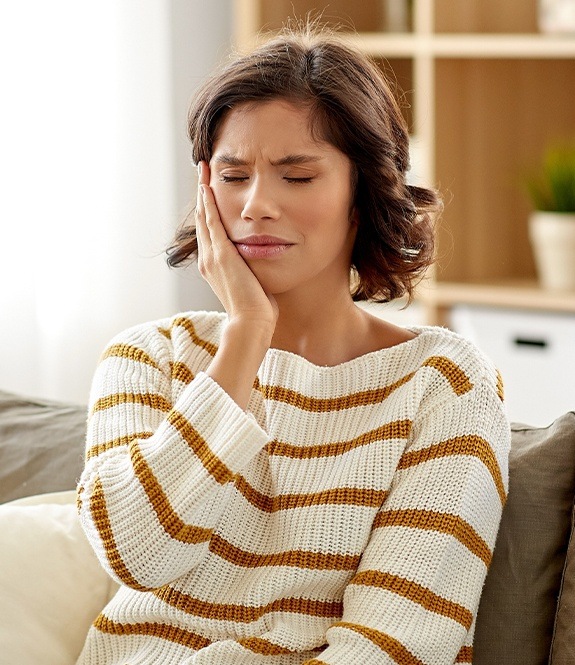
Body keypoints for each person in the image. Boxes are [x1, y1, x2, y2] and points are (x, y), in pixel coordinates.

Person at [76, 26, 510, 665]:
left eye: (297, 177)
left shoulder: (443, 382)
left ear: (363, 192)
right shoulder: (147, 359)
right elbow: (137, 555)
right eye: (233, 175)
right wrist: (246, 336)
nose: (256, 206)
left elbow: (400, 645)